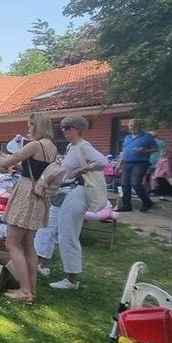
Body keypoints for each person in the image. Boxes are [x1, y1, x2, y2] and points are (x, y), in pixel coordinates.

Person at [35, 116, 109, 290]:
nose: (64, 130)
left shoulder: (84, 146)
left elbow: (103, 162)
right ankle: (43, 265)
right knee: (47, 226)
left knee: (68, 233)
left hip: (78, 193)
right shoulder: (71, 147)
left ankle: (72, 279)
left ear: (77, 129)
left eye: (68, 127)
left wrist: (85, 169)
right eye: (62, 127)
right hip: (64, 191)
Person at [0, 112, 58, 304]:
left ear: (37, 126)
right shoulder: (52, 147)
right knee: (29, 245)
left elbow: (4, 163)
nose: (28, 129)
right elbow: (34, 168)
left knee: (12, 243)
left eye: (30, 125)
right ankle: (32, 290)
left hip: (26, 194)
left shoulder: (34, 145)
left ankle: (24, 291)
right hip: (39, 195)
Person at [116, 119, 157, 212]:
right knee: (124, 184)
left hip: (140, 163)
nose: (132, 128)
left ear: (139, 126)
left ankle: (147, 202)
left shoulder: (147, 136)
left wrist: (144, 150)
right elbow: (124, 151)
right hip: (127, 163)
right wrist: (119, 164)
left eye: (134, 126)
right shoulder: (127, 137)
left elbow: (155, 149)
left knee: (135, 183)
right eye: (130, 126)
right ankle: (126, 206)